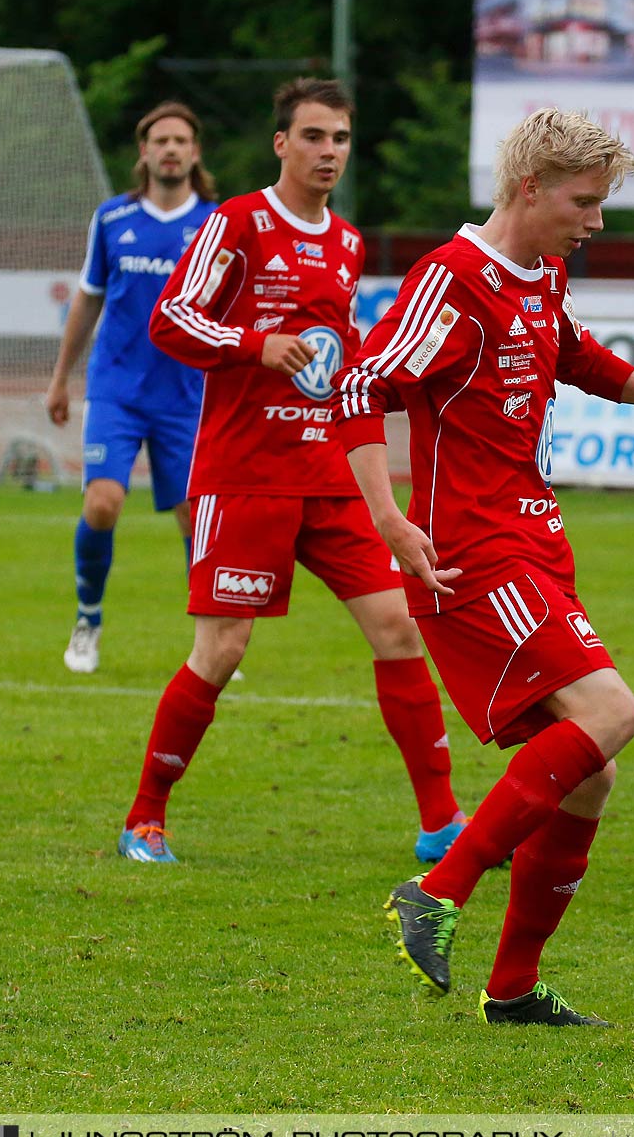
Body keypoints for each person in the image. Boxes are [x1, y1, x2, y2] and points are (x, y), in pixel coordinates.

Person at [334, 109, 634, 1027]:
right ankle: (439, 887)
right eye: (584, 202)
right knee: (613, 713)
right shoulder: (452, 281)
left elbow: (571, 353)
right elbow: (358, 388)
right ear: (527, 189)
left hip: (534, 539)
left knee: (592, 773)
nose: (597, 221)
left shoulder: (541, 271)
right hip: (468, 549)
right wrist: (389, 519)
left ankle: (511, 992)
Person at [116, 78, 466, 867]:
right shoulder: (236, 221)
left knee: (401, 627)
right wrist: (254, 345)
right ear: (282, 144)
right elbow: (170, 317)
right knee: (224, 648)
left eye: (340, 139)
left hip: (327, 471)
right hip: (245, 476)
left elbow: (339, 351)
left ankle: (441, 821)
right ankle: (145, 819)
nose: (328, 152)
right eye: (313, 137)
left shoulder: (346, 242)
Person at [47, 102, 219, 675]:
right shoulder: (112, 219)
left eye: (180, 141)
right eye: (160, 140)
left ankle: (212, 642)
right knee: (103, 502)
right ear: (144, 153)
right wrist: (60, 379)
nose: (170, 149)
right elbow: (89, 299)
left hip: (188, 394)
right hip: (117, 388)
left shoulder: (218, 226)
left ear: (194, 154)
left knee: (196, 519)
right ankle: (87, 620)